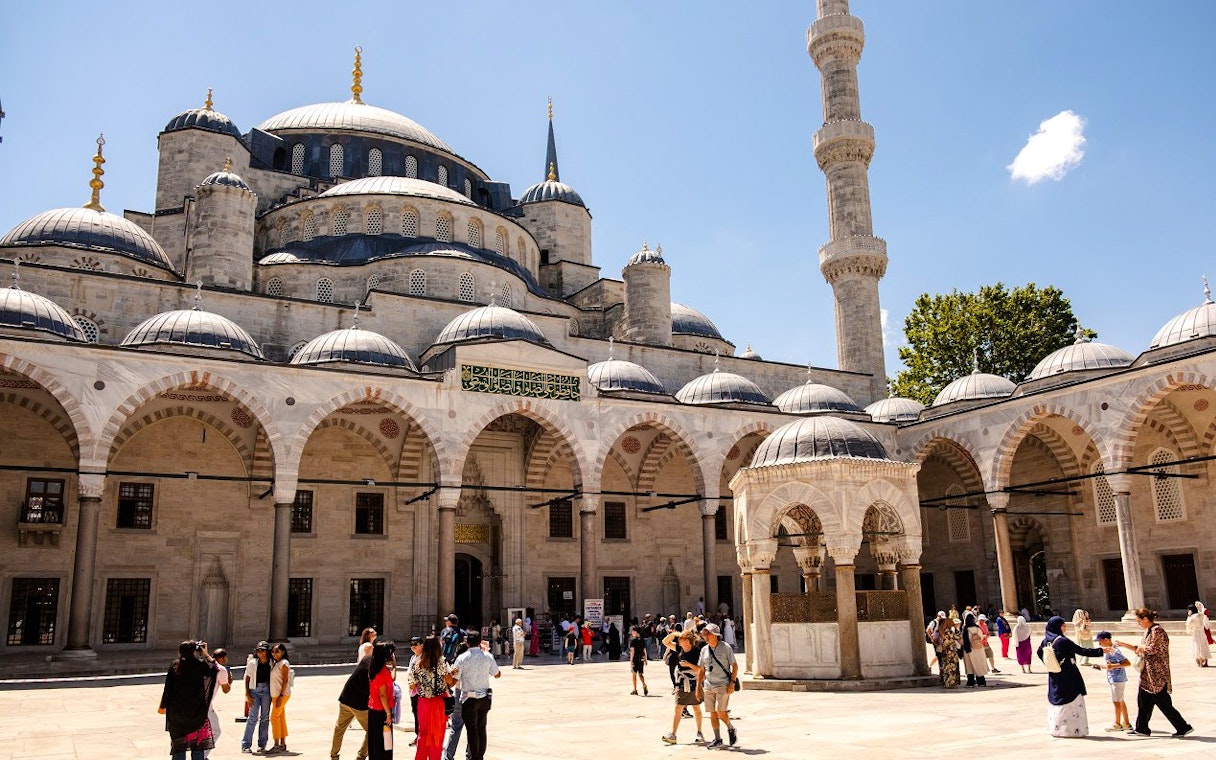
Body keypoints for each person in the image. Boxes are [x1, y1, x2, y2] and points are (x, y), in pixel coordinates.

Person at [1117, 608, 1193, 737]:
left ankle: (1183, 727)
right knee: (1143, 701)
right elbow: (1140, 650)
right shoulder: (1148, 631)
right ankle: (1142, 729)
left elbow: (1151, 650)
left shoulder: (1157, 631)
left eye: (1139, 621)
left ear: (1145, 619)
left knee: (1164, 703)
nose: (1138, 624)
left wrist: (1140, 648)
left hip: (1157, 674)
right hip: (1147, 674)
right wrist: (1124, 645)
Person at [1036, 615, 1103, 737]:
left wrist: (1051, 663)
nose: (1065, 627)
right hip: (1068, 674)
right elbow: (1081, 650)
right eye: (1063, 625)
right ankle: (1071, 730)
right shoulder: (1062, 641)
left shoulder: (1046, 640)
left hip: (1055, 674)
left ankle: (1057, 729)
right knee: (1071, 700)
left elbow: (1039, 652)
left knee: (1057, 699)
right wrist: (1101, 651)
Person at [159, 640, 219, 760]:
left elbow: (168, 688)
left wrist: (164, 705)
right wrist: (206, 654)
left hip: (177, 715)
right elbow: (215, 669)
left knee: (178, 748)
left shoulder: (175, 665)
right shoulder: (200, 665)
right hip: (196, 713)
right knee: (197, 748)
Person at [452, 630, 501, 760]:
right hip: (484, 697)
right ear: (480, 642)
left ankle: (474, 757)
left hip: (469, 698)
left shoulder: (462, 658)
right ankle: (480, 756)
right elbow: (497, 674)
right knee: (481, 727)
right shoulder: (488, 656)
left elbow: (454, 680)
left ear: (467, 643)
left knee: (472, 730)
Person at [408, 634, 455, 760]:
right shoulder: (441, 662)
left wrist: (424, 685)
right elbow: (450, 681)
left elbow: (412, 686)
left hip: (423, 702)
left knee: (423, 733)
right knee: (437, 735)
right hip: (439, 702)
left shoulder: (417, 663)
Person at [695, 623, 737, 748]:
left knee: (720, 711)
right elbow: (701, 670)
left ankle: (730, 727)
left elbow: (734, 666)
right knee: (712, 713)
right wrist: (698, 688)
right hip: (708, 685)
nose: (705, 636)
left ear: (715, 635)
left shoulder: (726, 648)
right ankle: (717, 738)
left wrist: (732, 683)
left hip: (723, 684)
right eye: (705, 634)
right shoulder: (704, 650)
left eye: (708, 633)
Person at [661, 630, 705, 745]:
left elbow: (701, 669)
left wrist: (689, 665)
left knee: (696, 707)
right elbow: (665, 642)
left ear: (687, 641)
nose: (678, 641)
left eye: (680, 639)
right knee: (678, 707)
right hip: (681, 682)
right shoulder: (679, 649)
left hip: (694, 681)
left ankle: (699, 732)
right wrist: (674, 634)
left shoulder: (696, 652)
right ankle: (673, 734)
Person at [333, 653, 372, 760]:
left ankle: (334, 755)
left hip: (345, 698)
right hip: (359, 704)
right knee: (372, 730)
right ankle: (361, 756)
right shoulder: (376, 667)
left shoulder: (366, 658)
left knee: (339, 728)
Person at [1093, 631, 1130, 732]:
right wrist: (1101, 667)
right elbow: (1111, 665)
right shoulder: (1109, 651)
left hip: (1117, 679)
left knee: (1117, 702)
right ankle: (1126, 723)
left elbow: (1127, 663)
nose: (1099, 644)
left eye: (1100, 641)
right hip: (1115, 678)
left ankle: (1117, 724)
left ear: (1106, 640)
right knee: (1120, 701)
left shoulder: (1113, 651)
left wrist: (1112, 666)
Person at [367, 639, 397, 760]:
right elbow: (382, 695)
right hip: (382, 711)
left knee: (375, 742)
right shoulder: (383, 671)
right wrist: (388, 714)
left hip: (373, 710)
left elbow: (391, 679)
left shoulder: (374, 667)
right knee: (385, 743)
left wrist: (394, 666)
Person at [241, 641, 272, 753]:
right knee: (252, 718)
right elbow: (247, 678)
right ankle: (246, 744)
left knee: (264, 718)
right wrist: (247, 694)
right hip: (255, 690)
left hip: (267, 690)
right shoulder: (253, 663)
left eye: (262, 651)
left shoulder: (271, 662)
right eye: (258, 651)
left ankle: (262, 744)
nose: (260, 653)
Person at [203, 648, 231, 759]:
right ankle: (202, 756)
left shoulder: (203, 666)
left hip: (194, 704)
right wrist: (229, 681)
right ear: (222, 658)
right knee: (216, 731)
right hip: (205, 706)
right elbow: (226, 689)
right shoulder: (221, 670)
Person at [267, 642, 292, 754]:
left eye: (277, 651)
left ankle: (276, 744)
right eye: (273, 651)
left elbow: (286, 680)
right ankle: (282, 743)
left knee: (274, 718)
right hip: (275, 695)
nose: (274, 653)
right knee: (280, 718)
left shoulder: (284, 663)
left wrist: (281, 696)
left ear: (283, 652)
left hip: (281, 695)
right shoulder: (276, 663)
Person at [960, 611, 989, 687]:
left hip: (968, 650)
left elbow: (962, 640)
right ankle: (981, 681)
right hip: (978, 649)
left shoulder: (965, 629)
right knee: (979, 664)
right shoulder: (977, 628)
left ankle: (971, 682)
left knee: (969, 666)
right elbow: (981, 637)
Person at [934, 617, 961, 688]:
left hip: (945, 651)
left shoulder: (941, 630)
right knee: (951, 668)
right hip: (951, 652)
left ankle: (945, 682)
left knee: (946, 667)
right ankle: (950, 683)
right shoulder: (949, 631)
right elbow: (958, 637)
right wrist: (957, 629)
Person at [1184, 603, 1210, 667]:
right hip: (1202, 632)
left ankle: (1200, 663)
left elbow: (1188, 624)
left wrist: (1189, 616)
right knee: (1204, 645)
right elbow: (1206, 624)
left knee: (1197, 646)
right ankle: (1206, 662)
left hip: (1196, 633)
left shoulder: (1192, 617)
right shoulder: (1201, 615)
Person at [628, 626, 649, 695]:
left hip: (635, 658)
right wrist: (645, 659)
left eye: (633, 631)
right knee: (640, 673)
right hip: (641, 658)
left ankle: (635, 689)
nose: (632, 633)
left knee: (634, 674)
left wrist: (631, 661)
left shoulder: (633, 640)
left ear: (636, 632)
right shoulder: (642, 640)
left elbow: (632, 651)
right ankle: (644, 683)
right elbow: (644, 650)